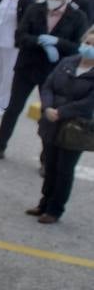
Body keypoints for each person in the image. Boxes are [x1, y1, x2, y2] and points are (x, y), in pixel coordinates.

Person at [0, 0, 88, 162]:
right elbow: (20, 35)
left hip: (54, 72)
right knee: (13, 108)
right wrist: (39, 41)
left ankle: (46, 158)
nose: (51, 1)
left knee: (48, 114)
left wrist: (57, 43)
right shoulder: (35, 9)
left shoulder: (77, 17)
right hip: (28, 66)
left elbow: (77, 46)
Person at [32, 29, 94, 224]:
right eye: (88, 42)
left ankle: (55, 209)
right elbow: (48, 85)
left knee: (64, 169)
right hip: (52, 121)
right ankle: (43, 203)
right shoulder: (69, 62)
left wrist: (62, 112)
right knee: (50, 165)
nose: (89, 48)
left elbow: (88, 102)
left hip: (75, 126)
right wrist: (48, 106)